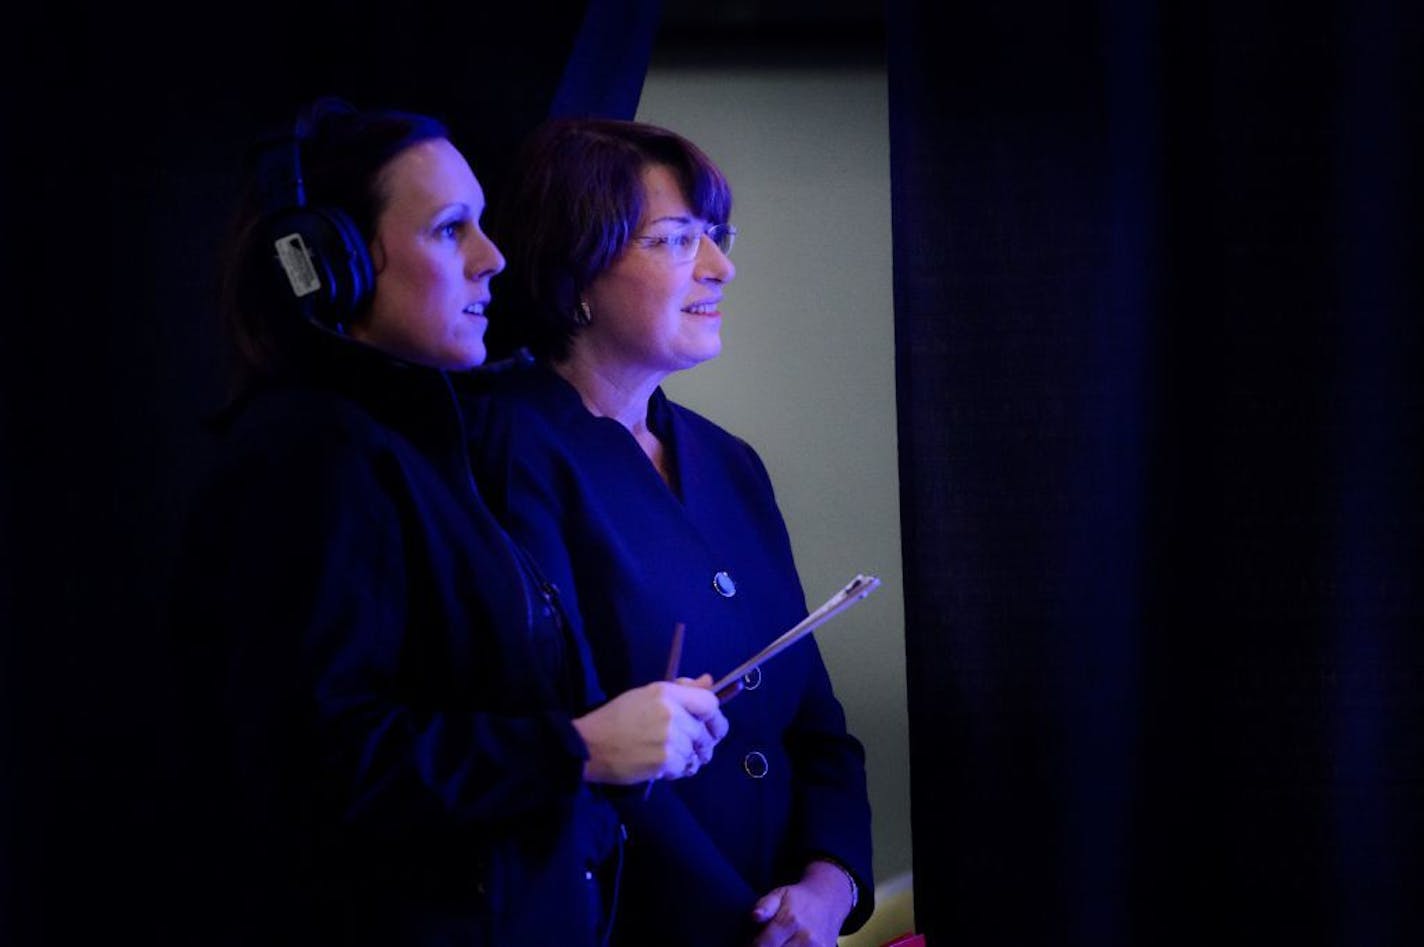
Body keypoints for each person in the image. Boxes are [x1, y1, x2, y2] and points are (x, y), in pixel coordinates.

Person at [168, 98, 728, 947]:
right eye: (449, 230)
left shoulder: (419, 447)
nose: (492, 259)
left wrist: (626, 738)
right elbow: (320, 759)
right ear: (334, 265)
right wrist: (578, 748)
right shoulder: (317, 454)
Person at [464, 117, 874, 947]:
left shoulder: (729, 463)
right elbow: (565, 737)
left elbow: (817, 728)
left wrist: (828, 887)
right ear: (576, 267)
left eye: (716, 237)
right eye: (678, 240)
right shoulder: (504, 448)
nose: (722, 267)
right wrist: (741, 926)